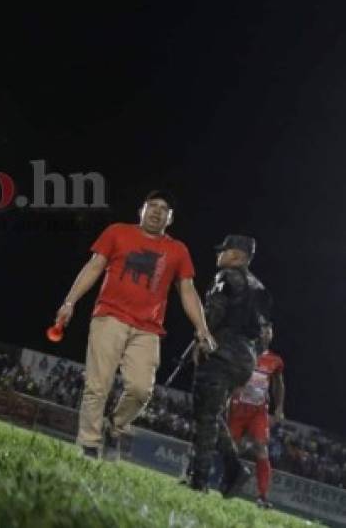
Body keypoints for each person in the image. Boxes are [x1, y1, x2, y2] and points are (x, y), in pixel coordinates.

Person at [52, 191, 216, 459]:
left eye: (164, 209)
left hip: (148, 328)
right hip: (109, 317)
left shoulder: (178, 250)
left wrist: (202, 328)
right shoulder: (117, 232)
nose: (156, 212)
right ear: (141, 210)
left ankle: (115, 426)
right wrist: (70, 302)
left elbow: (187, 290)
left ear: (170, 218)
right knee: (98, 385)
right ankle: (89, 444)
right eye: (152, 206)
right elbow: (94, 267)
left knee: (141, 390)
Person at [188, 234, 273, 494]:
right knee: (212, 413)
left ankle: (199, 480)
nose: (219, 255)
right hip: (246, 359)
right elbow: (265, 334)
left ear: (236, 255)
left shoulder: (226, 277)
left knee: (204, 415)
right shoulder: (259, 287)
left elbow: (213, 313)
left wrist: (200, 341)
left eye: (223, 251)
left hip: (221, 351)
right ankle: (234, 469)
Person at [227, 321, 283, 507]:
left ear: (272, 336)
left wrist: (279, 408)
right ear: (257, 334)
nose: (266, 335)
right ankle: (215, 478)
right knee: (229, 447)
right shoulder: (245, 351)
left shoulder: (275, 360)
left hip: (258, 411)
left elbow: (278, 385)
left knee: (261, 447)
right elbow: (232, 372)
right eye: (263, 332)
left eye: (269, 332)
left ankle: (263, 496)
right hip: (238, 407)